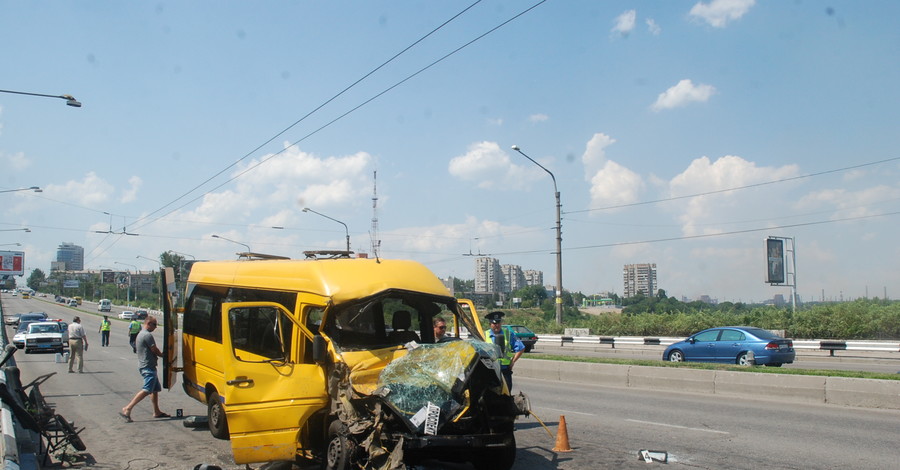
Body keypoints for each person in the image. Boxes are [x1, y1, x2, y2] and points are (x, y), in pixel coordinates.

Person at [120, 316, 169, 422]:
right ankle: (128, 408)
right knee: (147, 389)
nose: (155, 327)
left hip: (148, 365)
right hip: (147, 367)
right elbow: (154, 349)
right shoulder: (147, 335)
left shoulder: (141, 334)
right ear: (149, 323)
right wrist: (162, 355)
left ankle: (156, 411)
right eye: (154, 324)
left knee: (154, 390)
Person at [484, 311, 524, 390]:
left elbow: (521, 348)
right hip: (490, 371)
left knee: (506, 395)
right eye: (494, 323)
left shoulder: (509, 334)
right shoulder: (484, 335)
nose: (497, 325)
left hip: (504, 370)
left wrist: (513, 362)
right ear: (490, 324)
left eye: (499, 322)